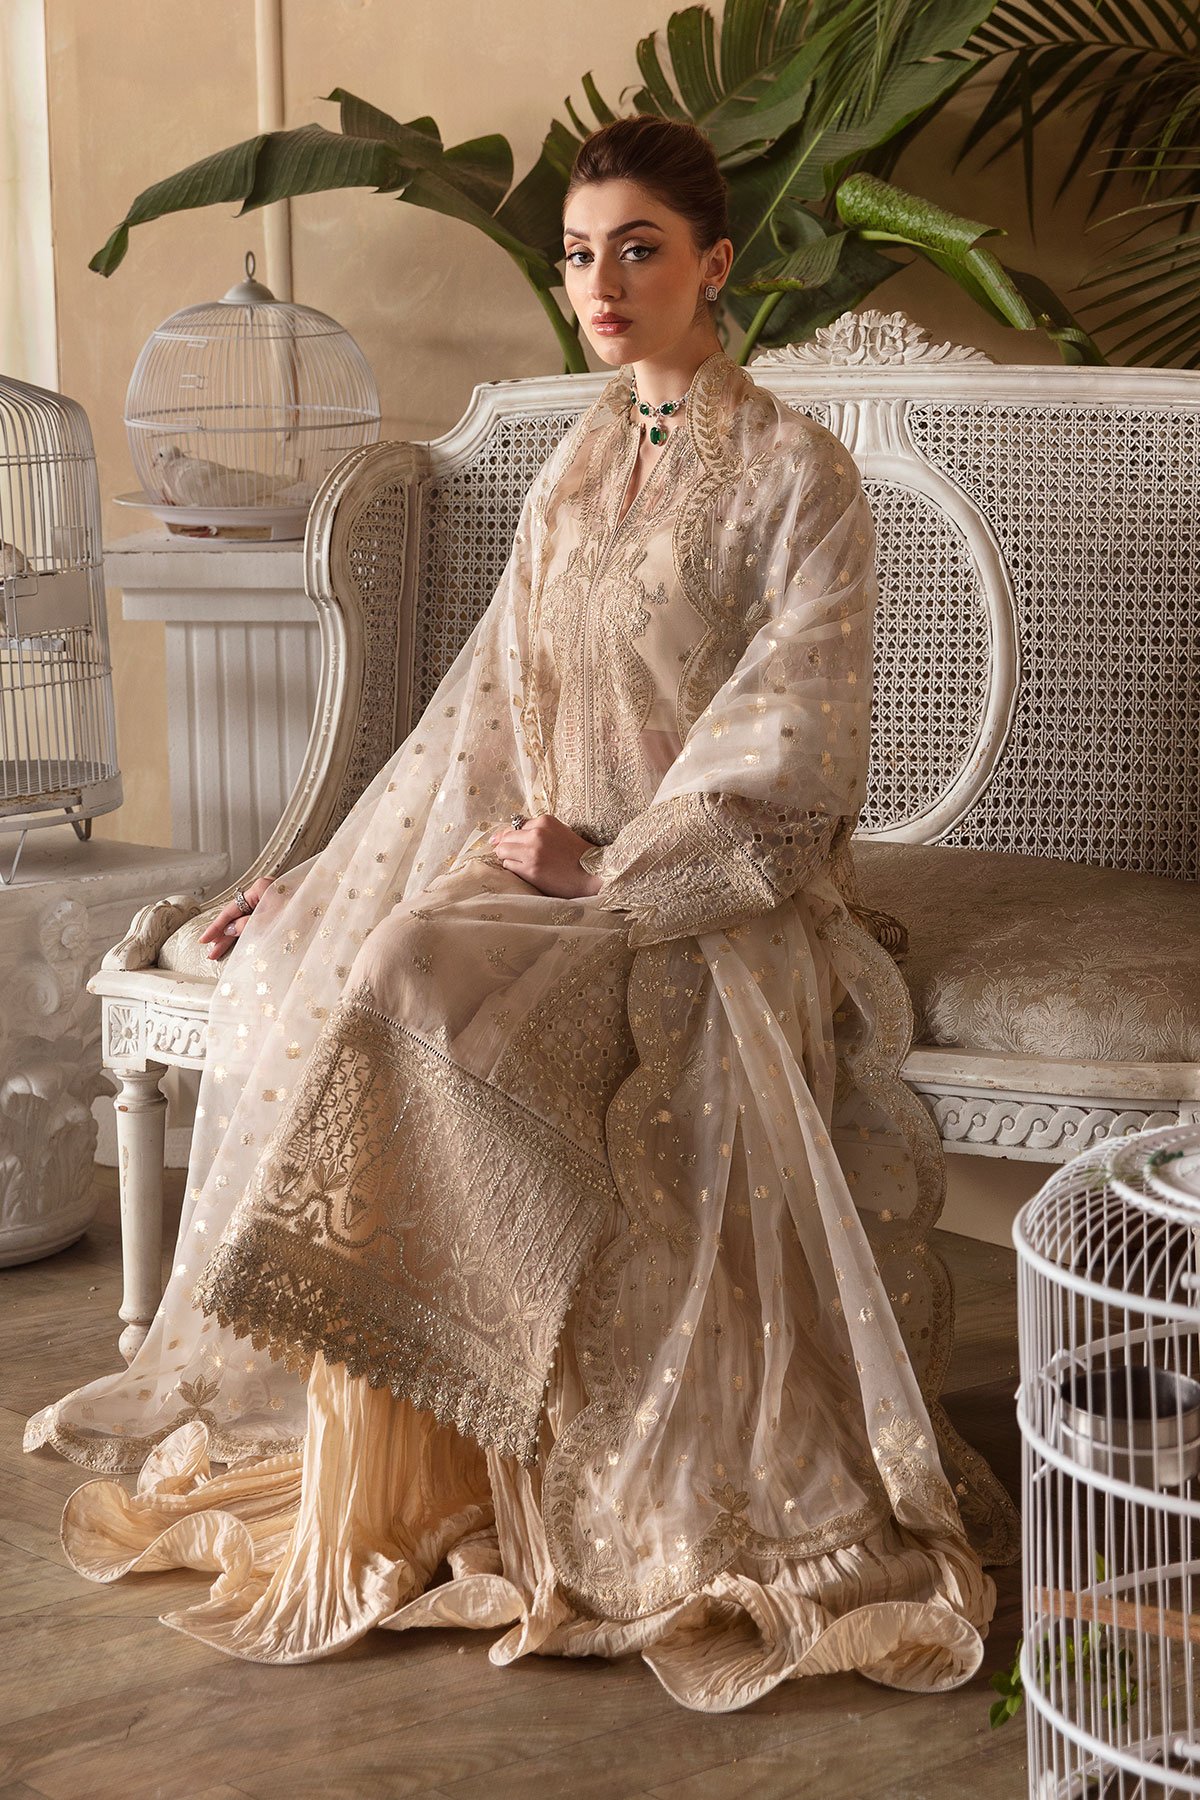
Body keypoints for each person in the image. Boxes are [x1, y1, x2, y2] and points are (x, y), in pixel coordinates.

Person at [26, 115, 1017, 1710]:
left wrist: (613, 872)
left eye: (638, 249)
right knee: (378, 961)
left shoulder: (798, 477)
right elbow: (477, 719)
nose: (601, 283)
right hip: (547, 866)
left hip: (709, 896)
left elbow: (795, 750)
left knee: (424, 989)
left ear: (717, 264)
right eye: (577, 254)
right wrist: (324, 870)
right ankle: (410, 1480)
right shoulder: (575, 464)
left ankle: (506, 1463)